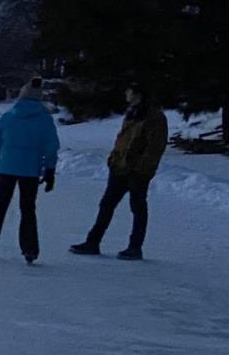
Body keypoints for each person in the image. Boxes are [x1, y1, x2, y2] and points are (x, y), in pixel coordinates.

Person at [69, 84, 168, 260]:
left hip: (137, 171)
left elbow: (155, 147)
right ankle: (93, 242)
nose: (126, 94)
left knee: (137, 207)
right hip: (119, 168)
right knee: (106, 205)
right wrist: (114, 158)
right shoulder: (132, 113)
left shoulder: (154, 117)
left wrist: (141, 168)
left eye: (129, 91)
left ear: (138, 94)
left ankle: (135, 247)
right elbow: (122, 139)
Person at [0, 78, 60, 264]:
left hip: (6, 167)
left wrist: (4, 155)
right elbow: (51, 146)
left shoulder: (9, 116)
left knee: (0, 204)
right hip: (30, 169)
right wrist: (49, 169)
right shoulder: (44, 120)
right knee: (28, 208)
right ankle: (29, 249)